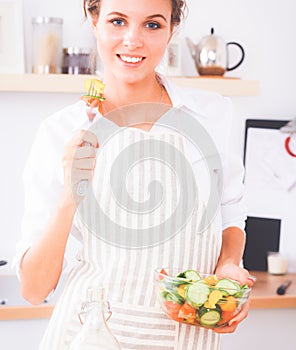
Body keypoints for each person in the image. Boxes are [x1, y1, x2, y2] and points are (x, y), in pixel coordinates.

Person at [13, 0, 253, 349]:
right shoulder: (60, 132)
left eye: (152, 25)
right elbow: (34, 289)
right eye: (117, 21)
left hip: (185, 335)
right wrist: (71, 192)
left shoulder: (212, 115)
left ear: (172, 29)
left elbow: (231, 212)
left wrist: (229, 268)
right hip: (88, 335)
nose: (132, 40)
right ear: (93, 21)